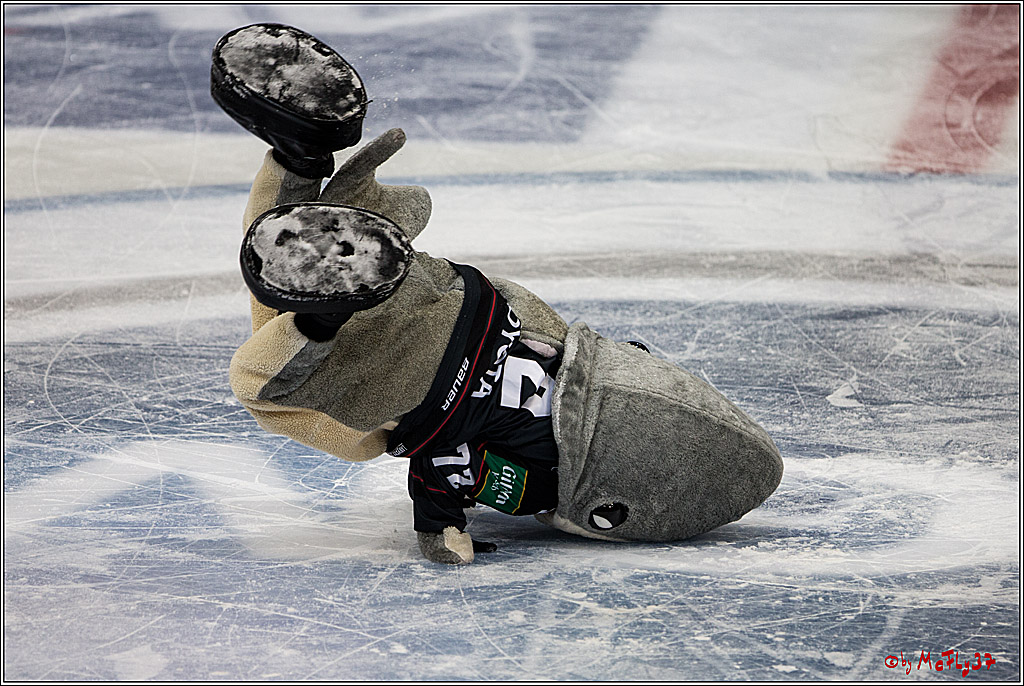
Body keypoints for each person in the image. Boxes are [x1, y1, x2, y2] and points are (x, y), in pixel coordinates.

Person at [214, 23, 784, 565]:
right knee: (268, 384)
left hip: (471, 306)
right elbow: (449, 463)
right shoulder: (544, 483)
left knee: (296, 256)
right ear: (606, 509)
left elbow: (620, 353)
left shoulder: (608, 383)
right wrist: (441, 530)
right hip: (429, 381)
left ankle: (300, 160)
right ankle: (324, 317)